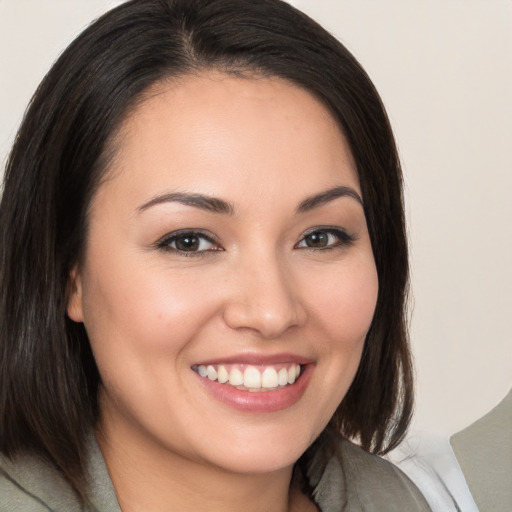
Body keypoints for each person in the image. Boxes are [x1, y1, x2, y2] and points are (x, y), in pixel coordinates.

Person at [0, 0, 432, 510]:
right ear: (68, 274)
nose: (271, 312)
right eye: (189, 241)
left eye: (319, 237)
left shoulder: (409, 500)